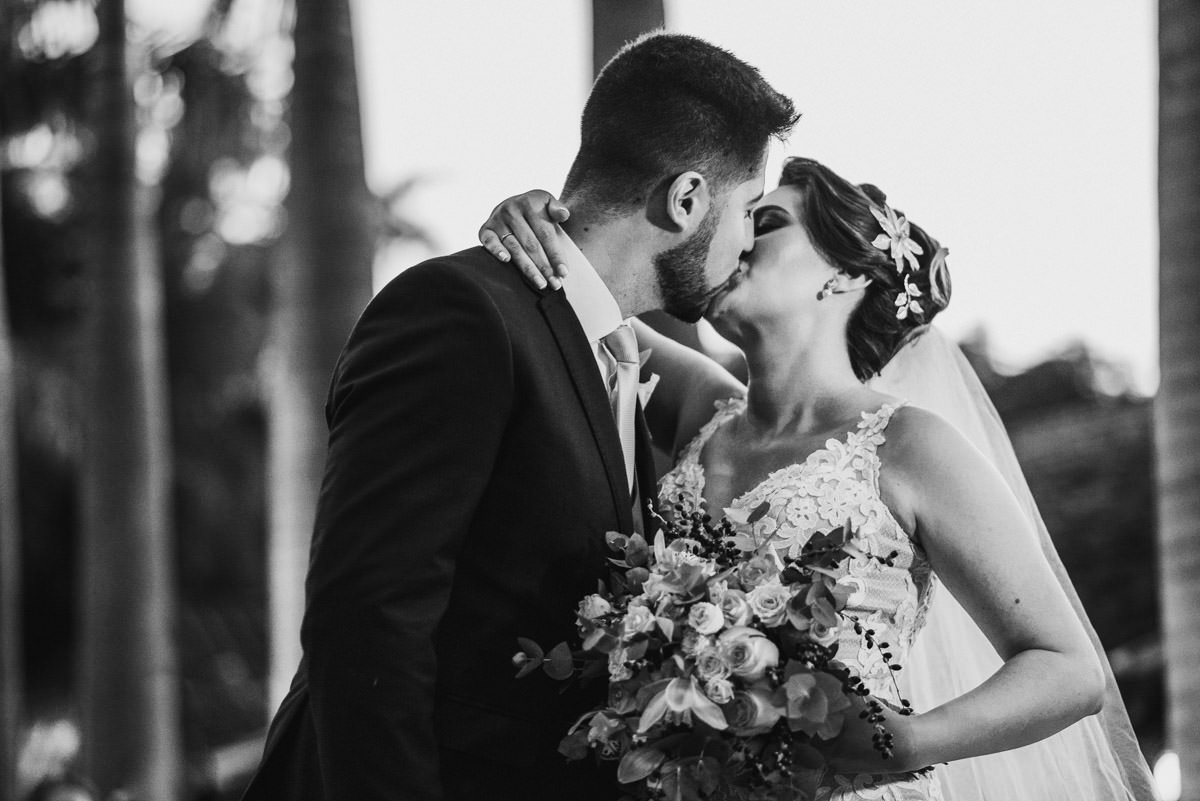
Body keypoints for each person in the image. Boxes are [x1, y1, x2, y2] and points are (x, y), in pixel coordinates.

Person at [478, 157, 1159, 800]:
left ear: (845, 275)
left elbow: (1069, 668)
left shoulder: (910, 444)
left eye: (765, 222)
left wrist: (909, 738)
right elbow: (578, 298)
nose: (734, 236)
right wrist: (540, 220)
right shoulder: (701, 414)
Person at [239, 32, 797, 801]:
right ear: (688, 198)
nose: (744, 246)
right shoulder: (461, 313)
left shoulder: (618, 354)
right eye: (746, 211)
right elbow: (368, 620)